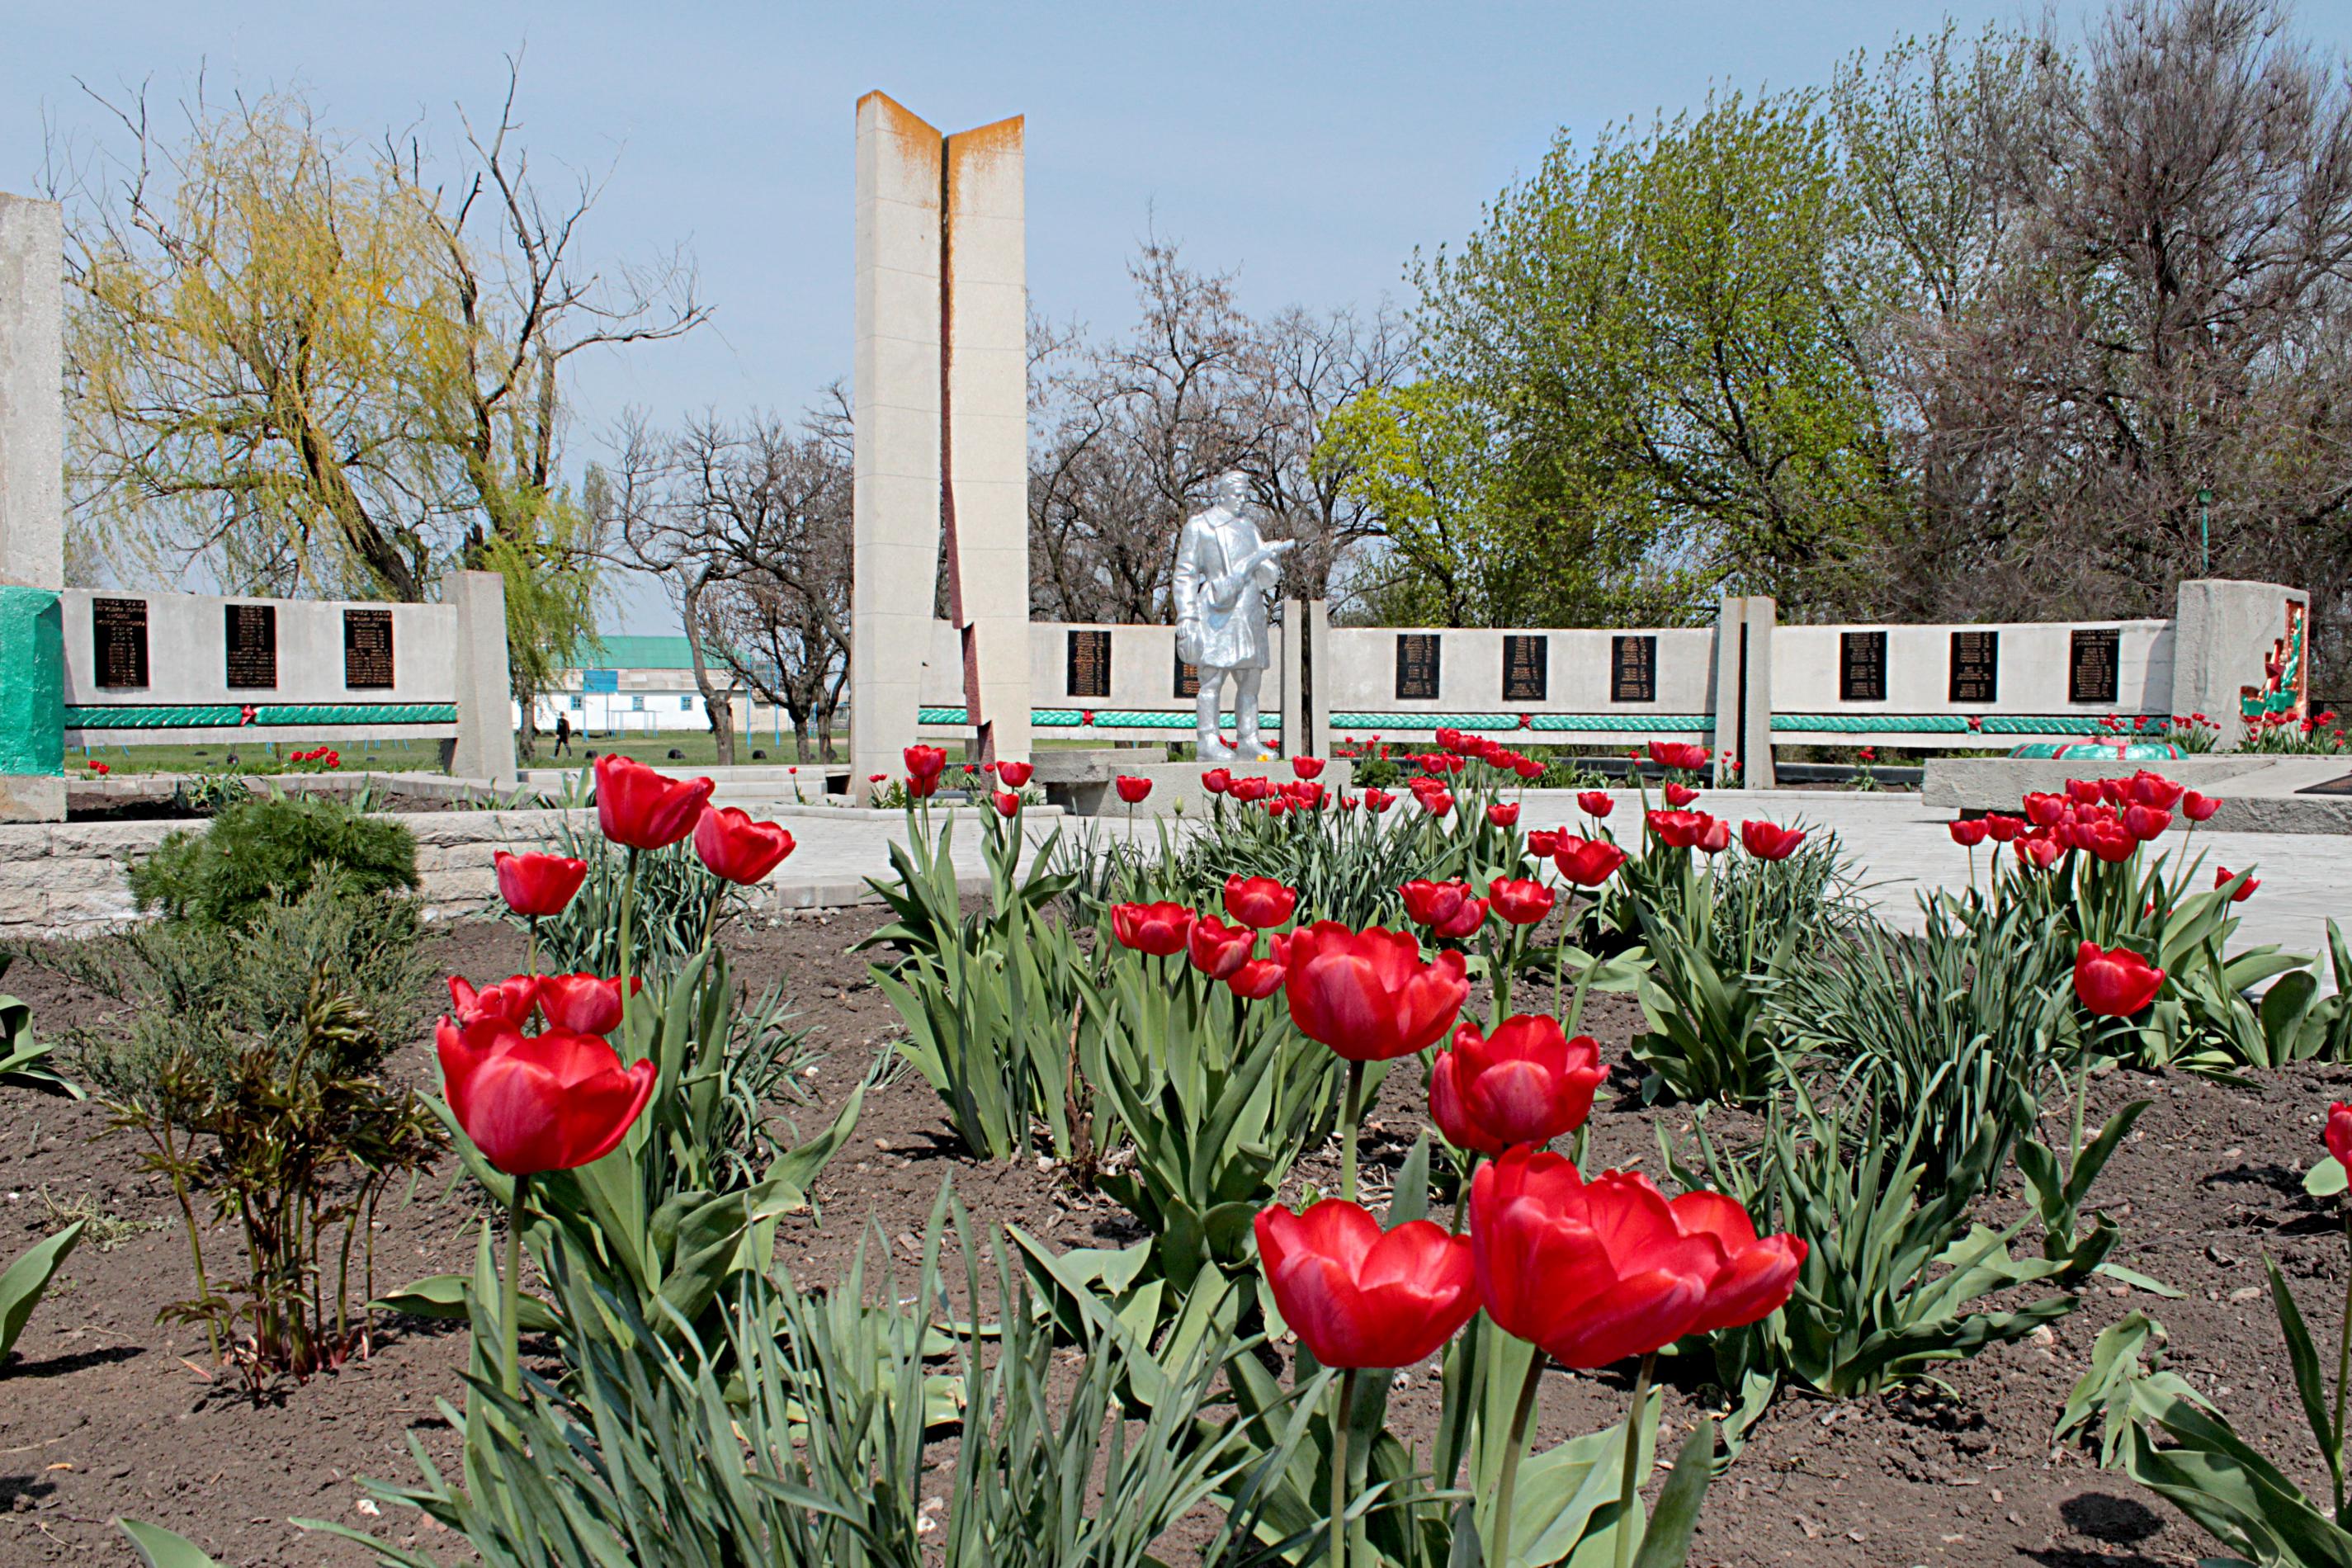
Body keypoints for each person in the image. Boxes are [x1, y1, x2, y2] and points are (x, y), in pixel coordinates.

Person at [1172, 470, 1295, 761]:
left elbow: (1266, 578)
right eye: (1237, 495)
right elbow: (1186, 574)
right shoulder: (1201, 525)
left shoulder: (1249, 527)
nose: (1242, 500)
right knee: (1212, 678)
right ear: (1223, 494)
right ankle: (1207, 740)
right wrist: (1186, 615)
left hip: (1249, 610)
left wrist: (1271, 559)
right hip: (1217, 609)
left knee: (1250, 678)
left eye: (1245, 495)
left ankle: (1248, 739)